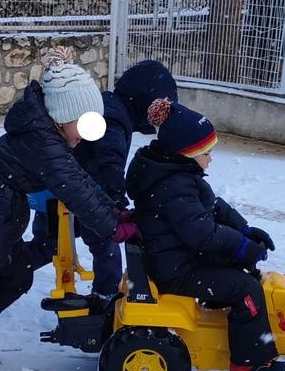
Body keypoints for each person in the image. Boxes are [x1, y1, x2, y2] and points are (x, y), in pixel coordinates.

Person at [0, 48, 140, 371]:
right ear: (63, 116)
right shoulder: (43, 141)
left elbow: (79, 180)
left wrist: (115, 212)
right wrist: (112, 228)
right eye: (84, 124)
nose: (87, 134)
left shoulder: (48, 134)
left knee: (17, 275)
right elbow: (72, 188)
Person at [124, 98, 285, 371]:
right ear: (187, 152)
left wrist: (246, 231)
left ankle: (232, 325)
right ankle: (249, 364)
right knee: (246, 289)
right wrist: (240, 247)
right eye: (206, 152)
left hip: (176, 256)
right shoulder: (173, 185)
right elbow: (202, 233)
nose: (210, 158)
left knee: (238, 269)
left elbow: (214, 206)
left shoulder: (176, 172)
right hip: (175, 270)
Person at [28, 60, 178, 298]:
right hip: (79, 194)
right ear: (143, 101)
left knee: (47, 246)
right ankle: (105, 299)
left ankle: (5, 270)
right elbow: (110, 161)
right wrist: (117, 199)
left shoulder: (111, 106)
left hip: (64, 188)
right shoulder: (114, 119)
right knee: (105, 246)